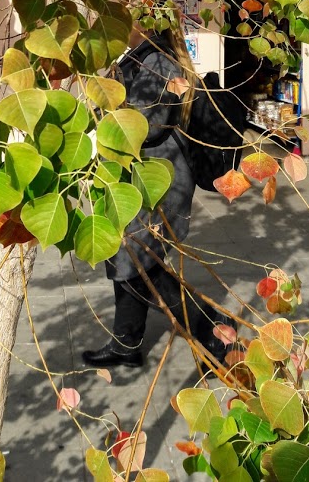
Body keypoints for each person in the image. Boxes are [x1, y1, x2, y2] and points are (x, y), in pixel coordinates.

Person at [82, 19, 229, 369]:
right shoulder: (143, 58)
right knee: (129, 258)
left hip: (159, 178)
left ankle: (215, 332)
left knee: (143, 264)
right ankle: (126, 341)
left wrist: (109, 102)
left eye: (126, 18)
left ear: (144, 26)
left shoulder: (158, 61)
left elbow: (152, 121)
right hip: (146, 175)